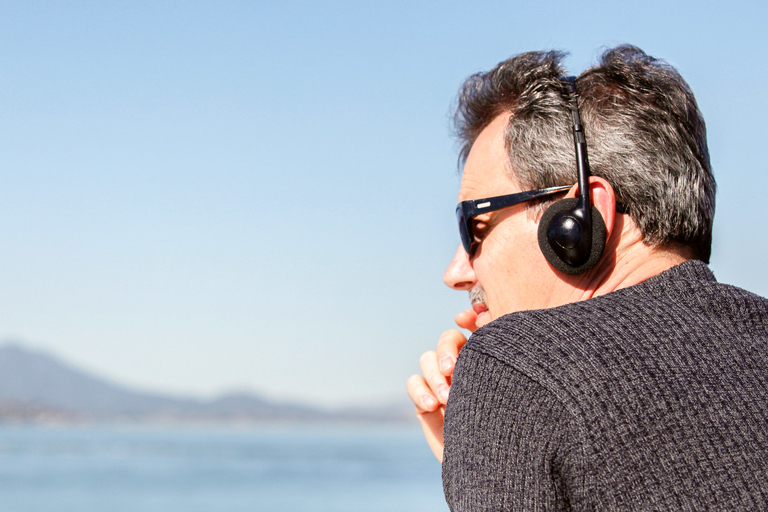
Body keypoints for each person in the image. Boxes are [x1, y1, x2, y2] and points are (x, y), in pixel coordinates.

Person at [406, 45, 768, 510]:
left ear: (579, 217)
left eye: (475, 226)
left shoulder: (515, 365)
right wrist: (483, 458)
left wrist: (501, 409)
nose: (456, 272)